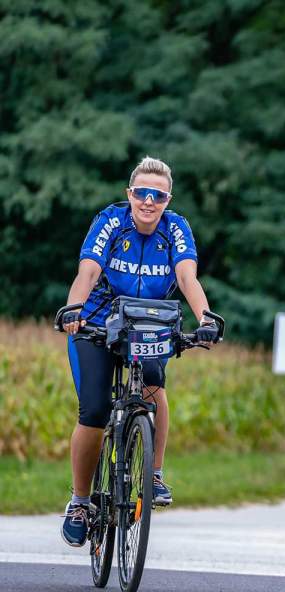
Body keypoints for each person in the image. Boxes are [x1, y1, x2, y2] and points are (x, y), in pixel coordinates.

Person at [59, 156, 220, 548]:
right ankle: (80, 502)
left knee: (152, 385)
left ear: (168, 199)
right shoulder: (110, 222)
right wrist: (74, 310)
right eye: (142, 193)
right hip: (96, 322)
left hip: (149, 325)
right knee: (94, 412)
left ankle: (155, 474)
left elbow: (186, 276)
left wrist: (206, 318)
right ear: (129, 194)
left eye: (158, 195)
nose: (149, 201)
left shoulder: (176, 228)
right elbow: (89, 271)